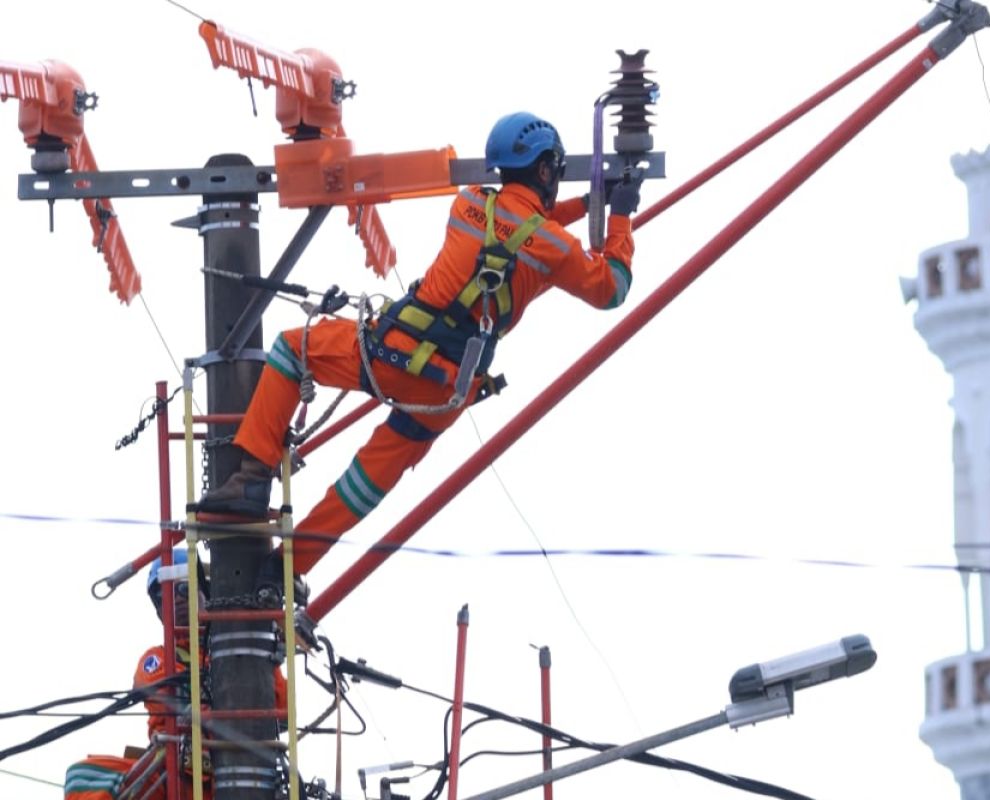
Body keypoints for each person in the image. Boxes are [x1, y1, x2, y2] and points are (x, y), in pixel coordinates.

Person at [197, 111, 643, 590]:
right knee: (366, 480)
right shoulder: (552, 248)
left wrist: (585, 203)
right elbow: (611, 288)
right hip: (444, 391)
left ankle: (250, 481)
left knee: (291, 350)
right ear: (543, 171)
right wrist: (618, 216)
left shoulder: (469, 204)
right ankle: (284, 573)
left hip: (393, 351)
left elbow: (521, 224)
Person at [64, 550, 288, 799]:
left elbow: (282, 711)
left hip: (236, 770)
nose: (176, 602)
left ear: (205, 592)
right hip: (173, 769)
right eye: (164, 597)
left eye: (184, 590)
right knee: (81, 777)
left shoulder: (248, 653)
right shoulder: (158, 658)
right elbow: (166, 698)